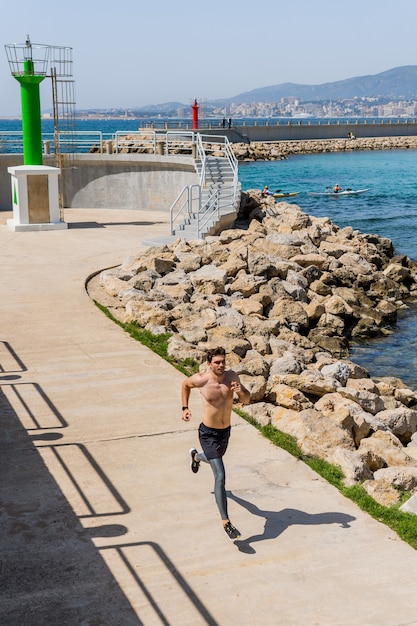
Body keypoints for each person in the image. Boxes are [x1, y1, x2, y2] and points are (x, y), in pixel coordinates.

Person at [181, 346, 250, 539]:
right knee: (220, 475)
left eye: (223, 362)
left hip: (225, 433)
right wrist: (185, 407)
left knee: (214, 460)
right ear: (209, 363)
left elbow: (246, 400)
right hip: (208, 434)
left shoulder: (232, 377)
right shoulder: (201, 380)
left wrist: (240, 390)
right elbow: (185, 385)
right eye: (217, 362)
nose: (221, 365)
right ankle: (226, 521)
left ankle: (195, 456)